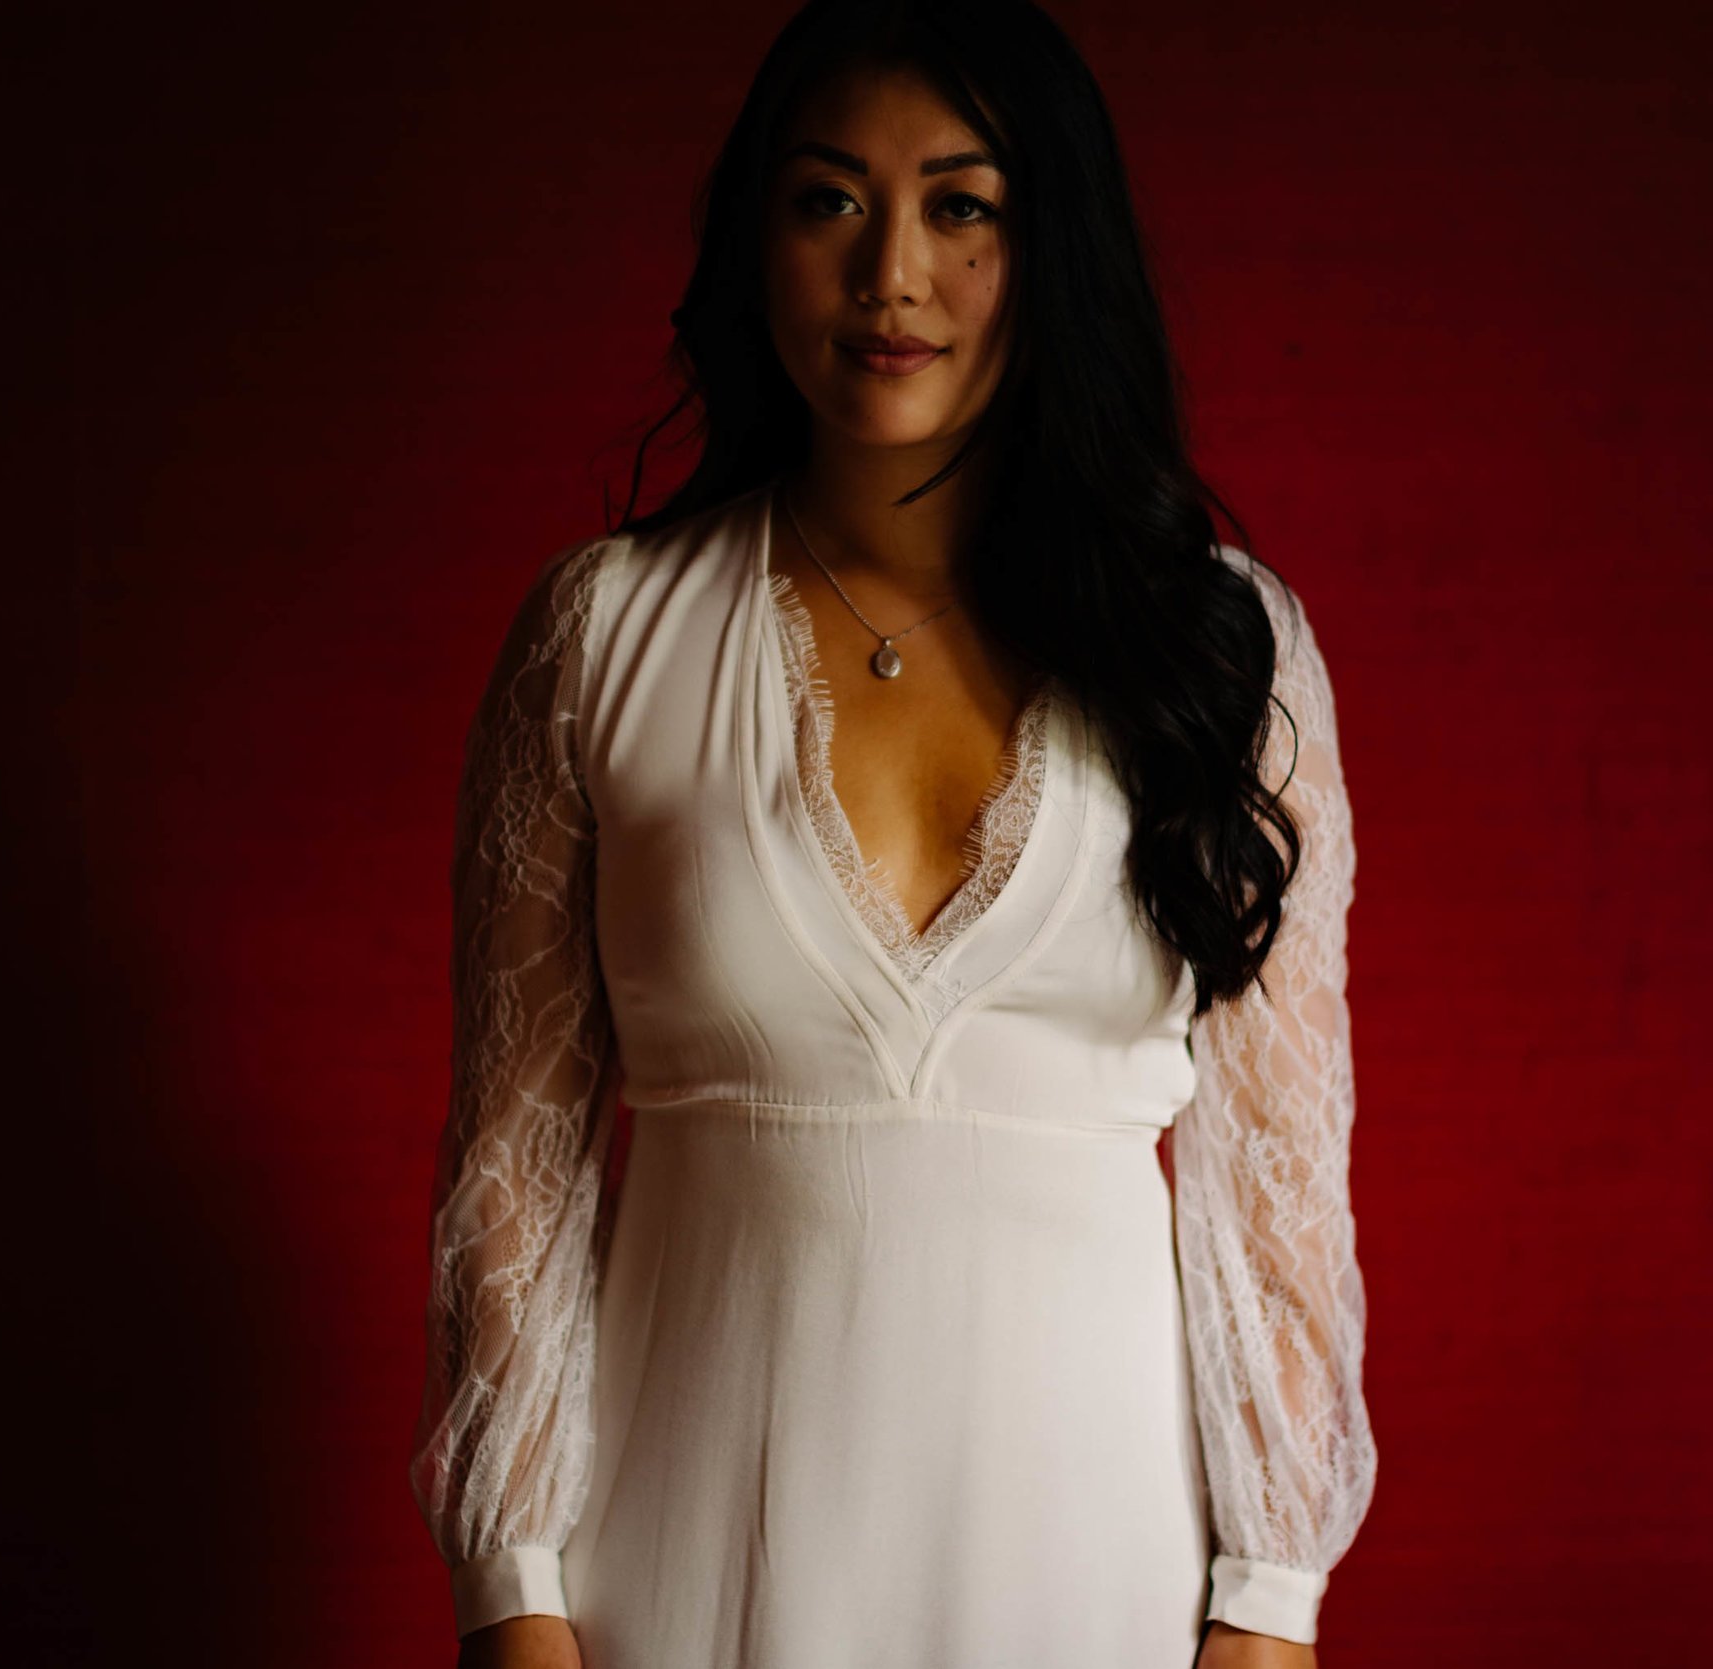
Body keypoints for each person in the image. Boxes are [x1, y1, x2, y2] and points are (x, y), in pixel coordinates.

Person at [409, 3, 1378, 1665]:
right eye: (830, 201)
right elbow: (512, 1168)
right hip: (683, 1559)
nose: (890, 280)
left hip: (1104, 1567)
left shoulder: (1223, 652)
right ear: (757, 239)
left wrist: (1269, 1606)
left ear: (1050, 242)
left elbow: (1281, 1193)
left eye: (962, 205)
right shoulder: (603, 637)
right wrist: (518, 1599)